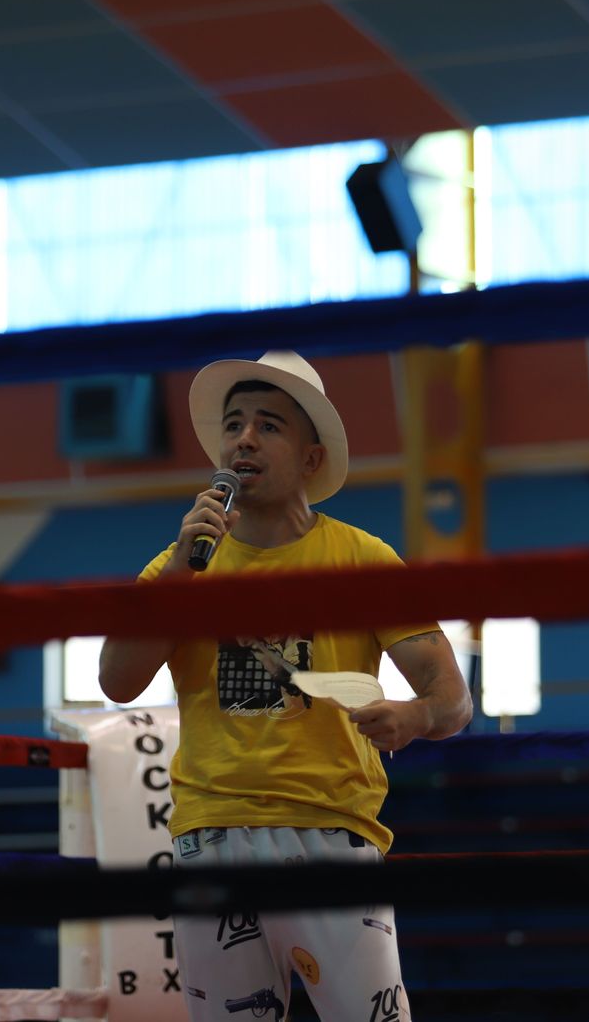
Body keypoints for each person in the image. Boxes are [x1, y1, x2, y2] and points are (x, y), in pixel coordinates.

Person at [99, 350, 473, 1022]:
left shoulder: (362, 561)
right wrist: (183, 569)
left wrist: (415, 717)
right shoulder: (180, 564)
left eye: (268, 425)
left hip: (329, 833)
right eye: (234, 424)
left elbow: (453, 698)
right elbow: (118, 681)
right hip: (211, 835)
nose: (243, 438)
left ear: (310, 458)